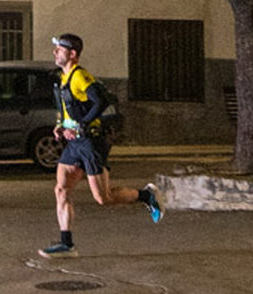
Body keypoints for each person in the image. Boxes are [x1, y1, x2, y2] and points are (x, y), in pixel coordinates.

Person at [40, 32, 162, 256]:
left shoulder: (80, 76)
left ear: (72, 54)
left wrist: (83, 125)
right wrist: (61, 125)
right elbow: (67, 107)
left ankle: (146, 196)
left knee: (103, 198)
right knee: (61, 189)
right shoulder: (64, 77)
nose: (54, 52)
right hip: (74, 144)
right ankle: (67, 244)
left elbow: (101, 100)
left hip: (91, 142)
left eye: (60, 48)